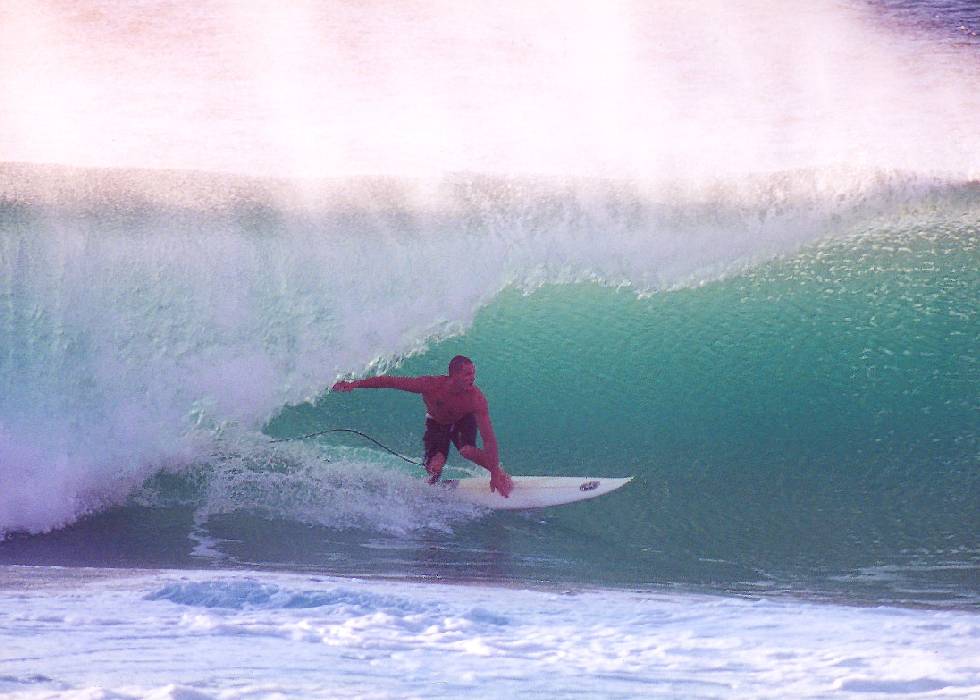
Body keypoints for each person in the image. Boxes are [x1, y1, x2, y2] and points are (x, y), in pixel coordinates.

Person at [331, 355, 513, 497]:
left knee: (467, 450)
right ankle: (433, 485)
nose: (472, 378)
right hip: (437, 423)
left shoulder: (476, 399)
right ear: (454, 375)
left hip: (462, 421)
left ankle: (499, 473)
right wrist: (355, 384)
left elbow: (489, 439)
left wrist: (494, 472)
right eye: (467, 374)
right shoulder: (430, 385)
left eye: (473, 373)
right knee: (434, 467)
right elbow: (390, 382)